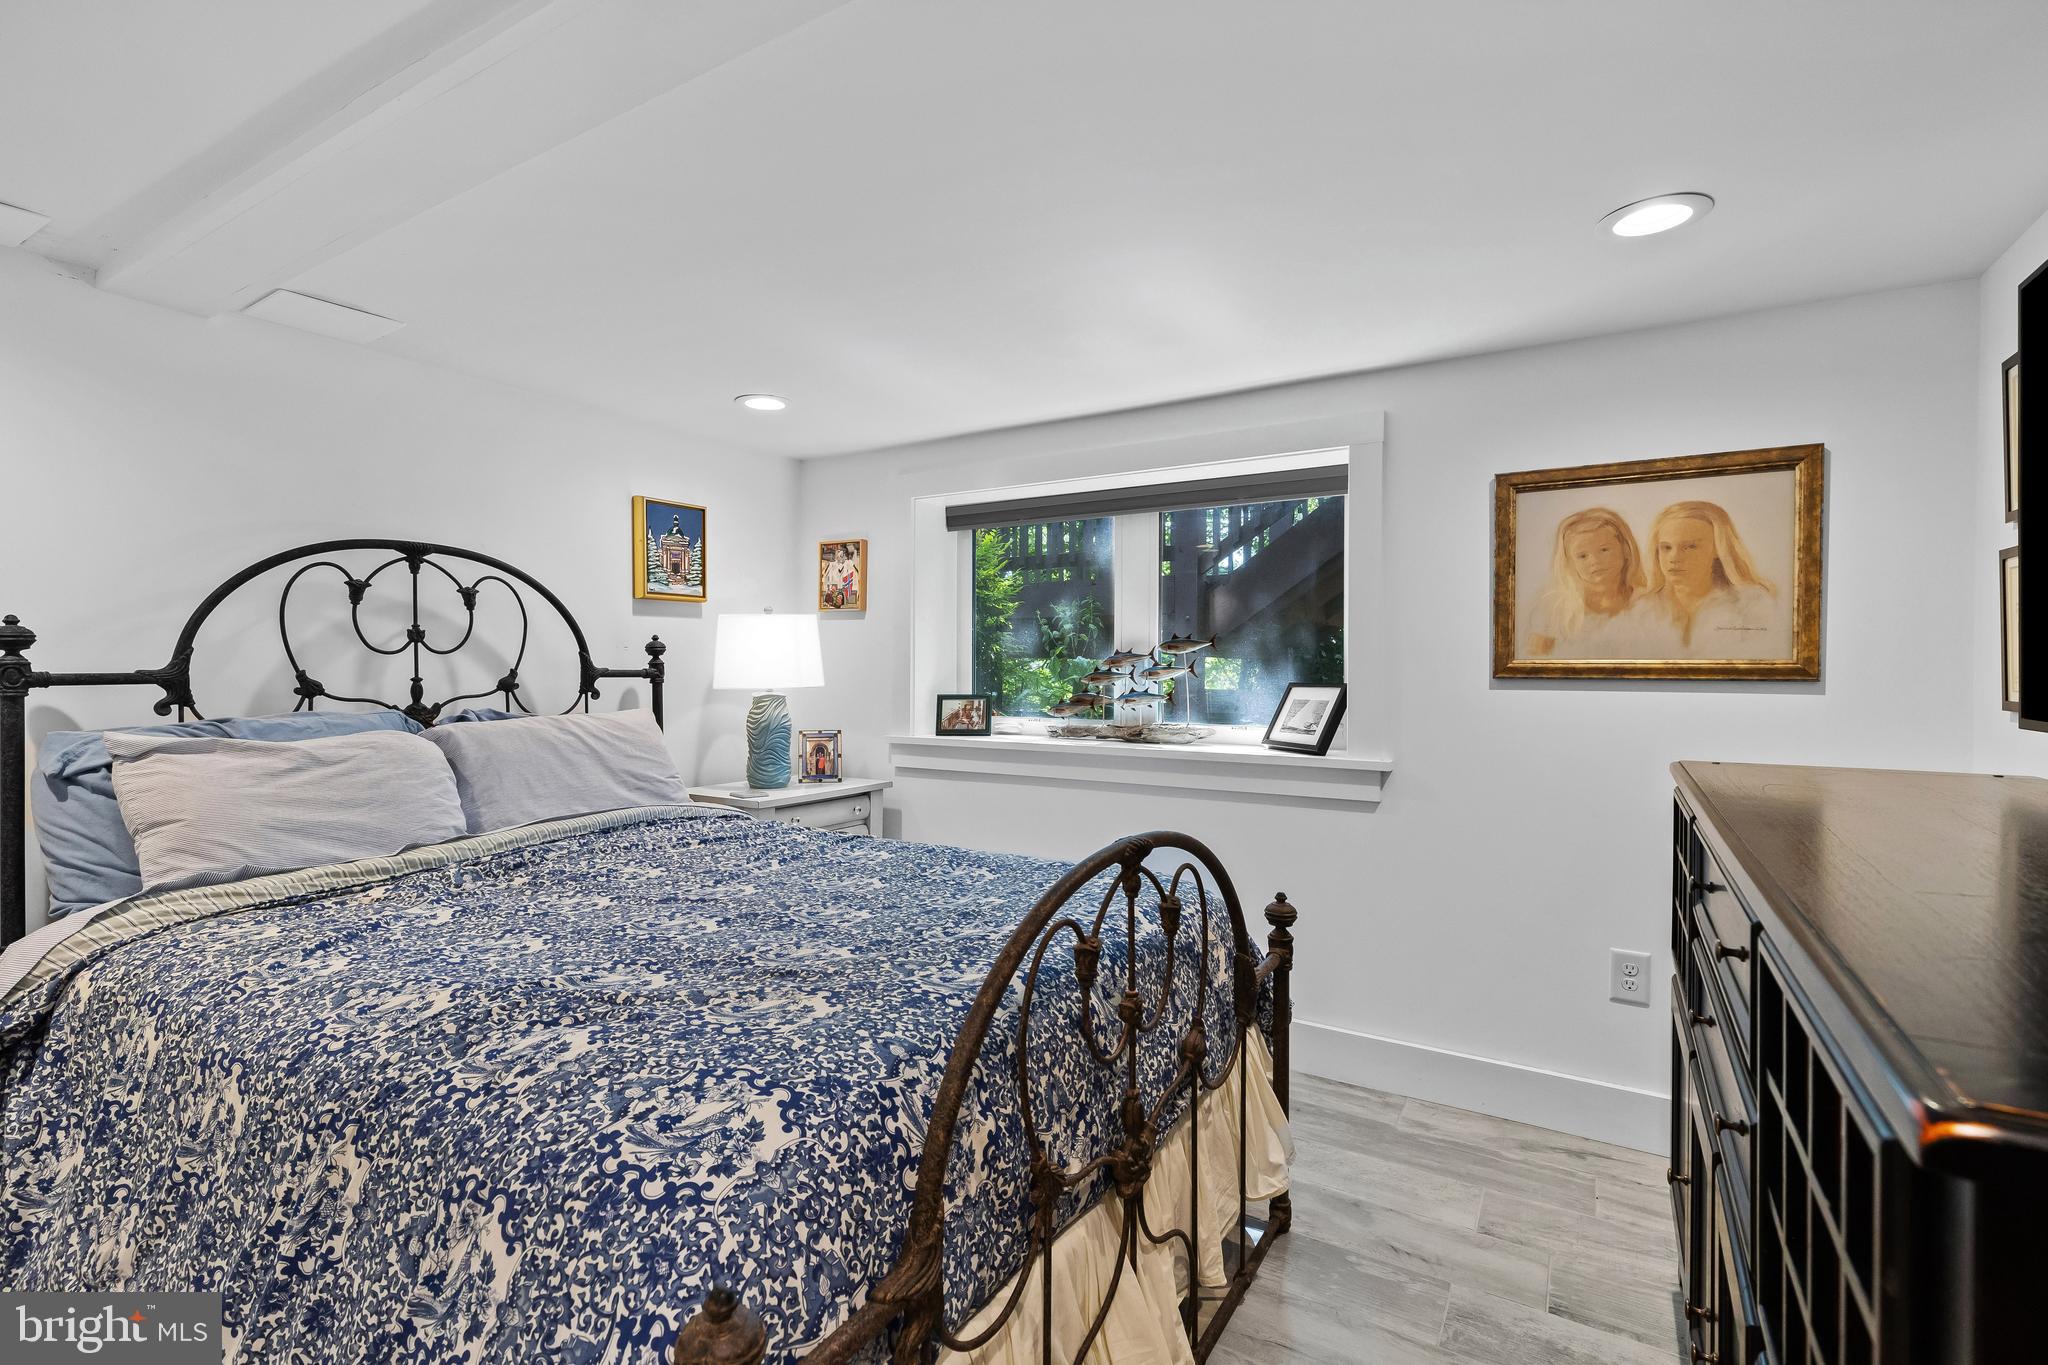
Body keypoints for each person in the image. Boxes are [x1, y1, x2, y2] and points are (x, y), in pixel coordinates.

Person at [1623, 499, 1780, 657]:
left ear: (1718, 549)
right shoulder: (1641, 609)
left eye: (1690, 546)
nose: (1674, 558)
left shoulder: (1751, 604)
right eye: (1666, 547)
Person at [1525, 507, 1646, 657]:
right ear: (1569, 562)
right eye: (1582, 556)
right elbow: (1533, 662)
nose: (1595, 561)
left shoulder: (1649, 603)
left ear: (1626, 550)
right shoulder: (1552, 609)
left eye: (1604, 550)